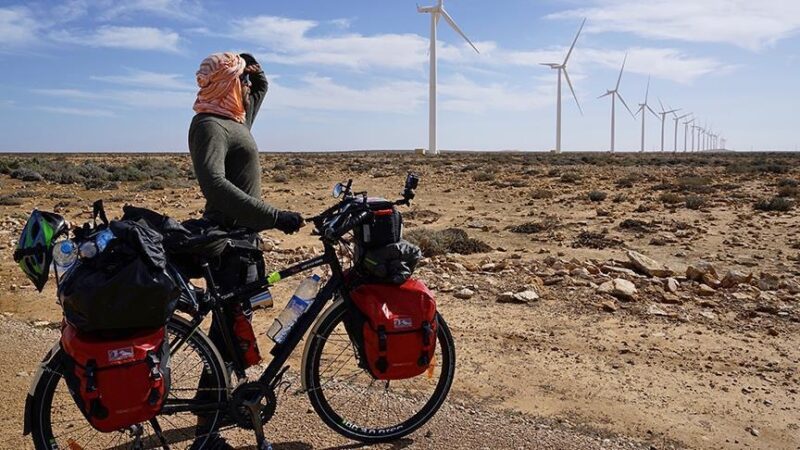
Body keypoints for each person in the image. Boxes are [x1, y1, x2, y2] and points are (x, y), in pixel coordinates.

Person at [187, 52, 303, 449]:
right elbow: (215, 186)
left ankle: (216, 410)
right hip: (226, 244)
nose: (248, 89)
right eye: (241, 80)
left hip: (245, 244)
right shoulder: (208, 125)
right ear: (226, 82)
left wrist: (255, 68)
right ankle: (207, 432)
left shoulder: (237, 119)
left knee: (233, 332)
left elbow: (262, 89)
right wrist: (273, 215)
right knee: (222, 336)